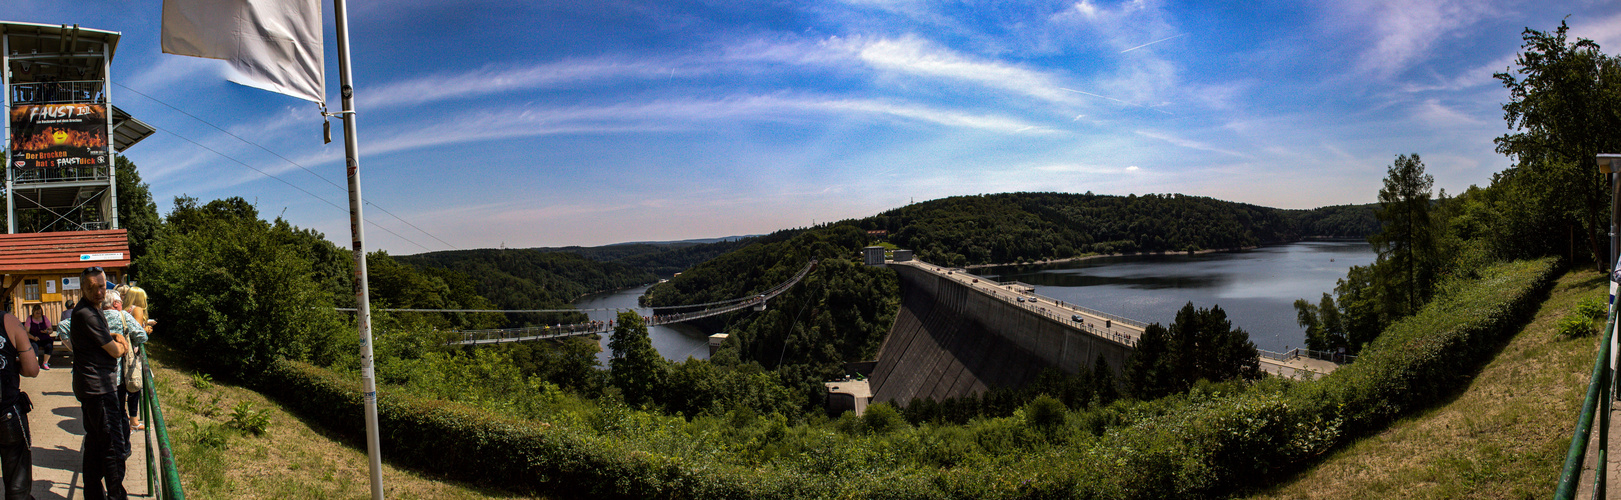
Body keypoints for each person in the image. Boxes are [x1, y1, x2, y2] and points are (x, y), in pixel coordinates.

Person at [70, 266, 129, 500]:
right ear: (82, 288)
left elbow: (106, 342)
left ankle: (93, 495)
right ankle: (116, 495)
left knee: (95, 443)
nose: (98, 292)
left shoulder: (93, 310)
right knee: (113, 446)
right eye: (92, 288)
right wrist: (121, 343)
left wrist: (114, 341)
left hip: (92, 387)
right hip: (99, 389)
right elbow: (115, 351)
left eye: (102, 286)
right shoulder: (86, 313)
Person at [1, 297, 41, 500]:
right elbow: (32, 370)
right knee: (17, 483)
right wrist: (12, 364)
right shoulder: (9, 322)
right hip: (6, 412)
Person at [24, 305, 51, 370]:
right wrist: (33, 337)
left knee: (49, 345)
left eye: (40, 313)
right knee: (34, 346)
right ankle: (36, 364)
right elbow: (26, 332)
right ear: (33, 312)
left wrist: (46, 331)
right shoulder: (29, 319)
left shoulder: (44, 318)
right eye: (37, 313)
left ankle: (45, 363)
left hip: (44, 338)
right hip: (34, 338)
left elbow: (51, 330)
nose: (38, 315)